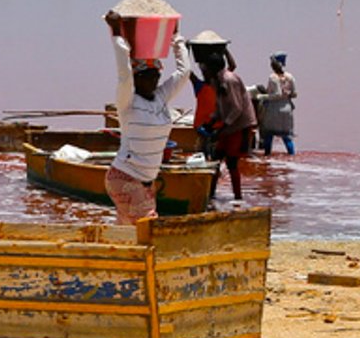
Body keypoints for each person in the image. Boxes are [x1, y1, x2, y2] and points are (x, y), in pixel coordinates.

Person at [102, 14, 193, 225]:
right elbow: (123, 71)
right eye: (147, 76)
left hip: (146, 181)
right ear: (136, 78)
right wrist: (117, 33)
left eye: (156, 75)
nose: (154, 80)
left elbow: (184, 71)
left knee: (128, 233)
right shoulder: (128, 101)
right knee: (149, 227)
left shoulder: (160, 98)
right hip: (125, 176)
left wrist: (176, 36)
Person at [198, 44, 255, 202]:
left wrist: (222, 127)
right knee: (216, 159)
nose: (203, 72)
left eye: (205, 69)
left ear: (213, 68)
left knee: (231, 162)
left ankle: (238, 199)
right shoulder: (216, 81)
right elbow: (220, 106)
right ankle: (211, 195)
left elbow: (237, 108)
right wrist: (211, 122)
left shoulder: (229, 80)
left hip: (240, 125)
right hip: (228, 126)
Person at [255, 52, 297, 155]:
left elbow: (276, 94)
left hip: (274, 109)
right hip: (287, 108)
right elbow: (294, 94)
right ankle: (292, 157)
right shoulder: (290, 77)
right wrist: (286, 95)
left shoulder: (273, 77)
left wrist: (262, 97)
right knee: (287, 136)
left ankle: (267, 157)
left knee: (269, 134)